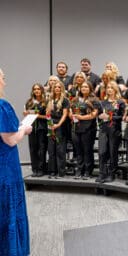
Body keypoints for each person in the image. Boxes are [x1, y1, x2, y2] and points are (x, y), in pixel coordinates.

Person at [0, 68, 32, 256]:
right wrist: (24, 129)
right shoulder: (2, 106)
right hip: (5, 168)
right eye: (3, 78)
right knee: (8, 208)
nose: (5, 82)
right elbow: (10, 140)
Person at [96, 81, 126, 183]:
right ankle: (102, 173)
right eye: (108, 87)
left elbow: (123, 117)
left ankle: (111, 173)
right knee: (102, 152)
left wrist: (111, 117)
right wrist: (99, 116)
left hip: (114, 130)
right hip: (103, 129)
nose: (109, 89)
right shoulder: (102, 102)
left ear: (115, 89)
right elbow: (98, 115)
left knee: (113, 152)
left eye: (111, 88)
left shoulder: (120, 102)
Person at [69, 81, 99, 179]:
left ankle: (88, 171)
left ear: (90, 88)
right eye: (82, 87)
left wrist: (81, 117)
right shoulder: (75, 99)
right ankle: (79, 170)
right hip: (75, 128)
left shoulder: (94, 100)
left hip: (88, 128)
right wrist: (71, 115)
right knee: (78, 150)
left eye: (86, 87)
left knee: (87, 150)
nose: (84, 88)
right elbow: (70, 111)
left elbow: (94, 114)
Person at [23, 83, 48, 177]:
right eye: (35, 89)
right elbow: (27, 114)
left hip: (42, 128)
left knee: (41, 149)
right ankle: (35, 169)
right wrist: (26, 114)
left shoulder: (45, 102)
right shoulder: (29, 102)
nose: (36, 91)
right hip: (31, 128)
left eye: (38, 89)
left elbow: (48, 117)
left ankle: (41, 169)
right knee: (33, 148)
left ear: (42, 90)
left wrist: (38, 116)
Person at [46, 80, 69, 178]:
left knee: (60, 150)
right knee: (51, 150)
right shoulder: (50, 100)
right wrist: (50, 124)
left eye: (59, 87)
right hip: (51, 126)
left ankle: (61, 172)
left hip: (60, 126)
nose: (57, 89)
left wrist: (58, 124)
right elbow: (47, 114)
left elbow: (65, 115)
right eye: (55, 87)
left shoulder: (64, 100)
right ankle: (52, 171)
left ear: (62, 89)